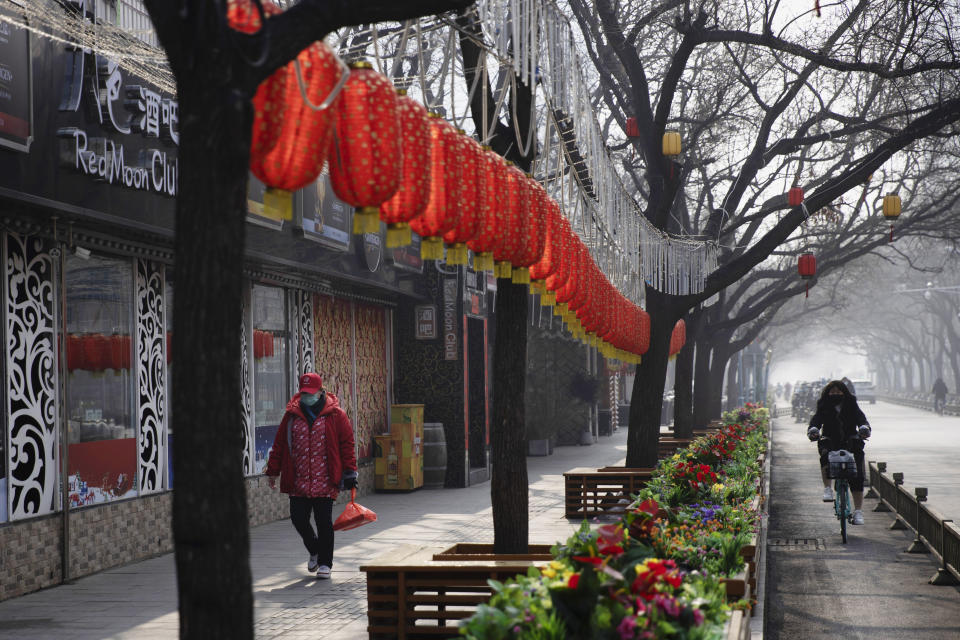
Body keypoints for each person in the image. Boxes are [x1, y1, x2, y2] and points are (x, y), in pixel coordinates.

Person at [265, 372, 358, 578]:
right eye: (304, 392)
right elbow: (279, 444)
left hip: (325, 479)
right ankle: (315, 550)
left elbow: (347, 445)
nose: (307, 396)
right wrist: (272, 471)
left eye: (311, 392)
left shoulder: (336, 415)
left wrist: (350, 472)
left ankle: (325, 563)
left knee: (324, 521)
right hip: (298, 480)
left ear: (320, 391)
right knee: (298, 519)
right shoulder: (291, 416)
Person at [806, 380, 871, 525]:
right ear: (827, 393)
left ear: (844, 392)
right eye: (832, 392)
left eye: (838, 391)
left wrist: (864, 428)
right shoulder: (823, 404)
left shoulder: (851, 403)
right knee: (824, 454)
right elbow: (816, 420)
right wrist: (813, 430)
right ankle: (828, 488)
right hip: (830, 440)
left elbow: (861, 418)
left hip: (851, 441)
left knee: (857, 475)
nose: (835, 394)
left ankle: (858, 512)